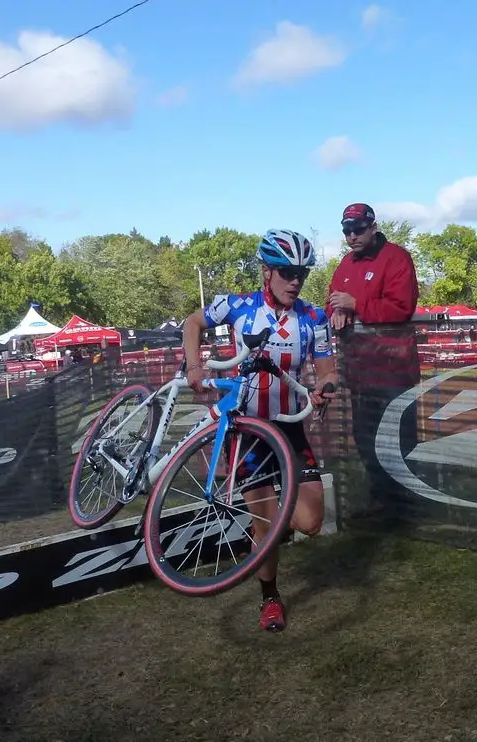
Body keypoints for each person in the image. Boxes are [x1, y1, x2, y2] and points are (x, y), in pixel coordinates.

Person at [182, 229, 339, 633]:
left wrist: (324, 388)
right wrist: (195, 365)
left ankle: (266, 524)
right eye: (287, 272)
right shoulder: (238, 306)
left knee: (309, 521)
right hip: (249, 432)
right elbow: (192, 323)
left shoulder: (313, 318)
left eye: (301, 273)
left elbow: (326, 370)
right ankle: (270, 597)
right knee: (266, 524)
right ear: (266, 271)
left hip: (289, 429)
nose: (295, 281)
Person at [325, 203, 420, 519]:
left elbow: (401, 308)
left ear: (372, 226)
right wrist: (337, 312)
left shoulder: (396, 258)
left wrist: (356, 304)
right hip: (360, 371)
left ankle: (406, 504)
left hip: (395, 370)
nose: (351, 236)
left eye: (357, 229)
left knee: (399, 440)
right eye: (346, 231)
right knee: (365, 438)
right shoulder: (345, 265)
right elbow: (331, 302)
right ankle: (382, 498)